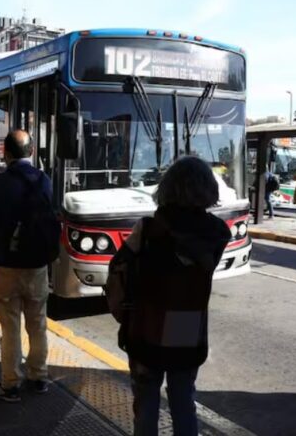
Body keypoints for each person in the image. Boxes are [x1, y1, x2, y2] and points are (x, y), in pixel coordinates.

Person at [104, 156, 231, 436]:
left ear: (168, 187)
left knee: (147, 400)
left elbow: (119, 268)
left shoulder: (149, 229)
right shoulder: (218, 233)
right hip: (188, 327)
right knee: (183, 399)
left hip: (147, 324)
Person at [0, 129, 59, 402]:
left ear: (6, 153)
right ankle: (39, 377)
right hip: (37, 266)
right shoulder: (44, 180)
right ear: (32, 152)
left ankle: (11, 384)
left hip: (6, 265)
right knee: (37, 324)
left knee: (10, 327)